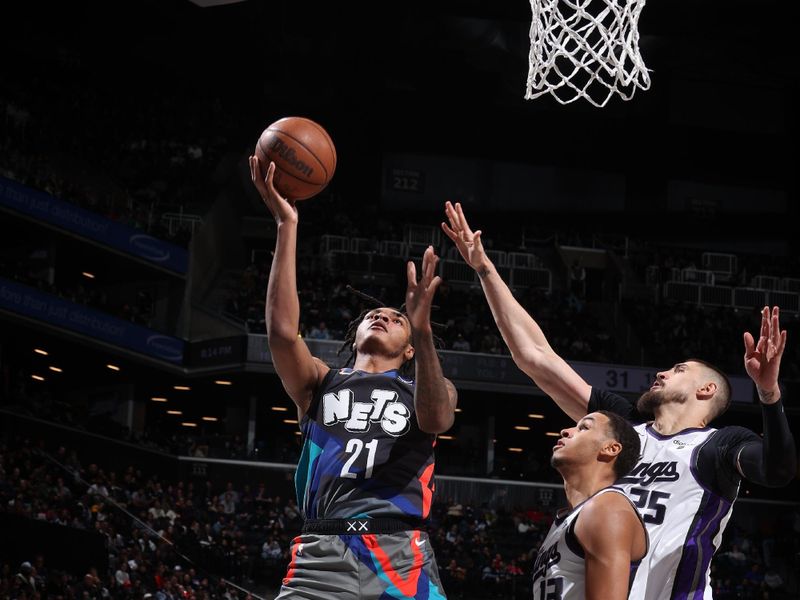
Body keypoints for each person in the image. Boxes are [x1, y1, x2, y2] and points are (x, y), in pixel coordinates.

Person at [441, 201, 797, 600]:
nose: (662, 373)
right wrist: (485, 270)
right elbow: (536, 358)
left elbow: (778, 470)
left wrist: (769, 393)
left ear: (707, 390)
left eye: (678, 369)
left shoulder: (720, 444)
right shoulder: (622, 429)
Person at [250, 156, 457, 599]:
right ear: (355, 334)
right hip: (322, 551)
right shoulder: (322, 382)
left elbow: (438, 419)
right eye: (373, 315)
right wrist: (287, 226)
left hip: (402, 553)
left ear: (408, 349)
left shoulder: (422, 387)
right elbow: (282, 333)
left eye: (395, 318)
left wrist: (422, 331)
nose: (382, 315)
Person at [533, 410, 647, 600]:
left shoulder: (607, 508)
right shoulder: (568, 518)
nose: (565, 431)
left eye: (584, 427)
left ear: (610, 448)